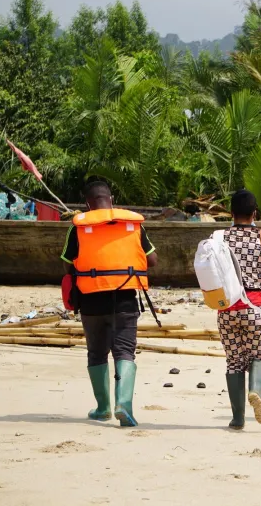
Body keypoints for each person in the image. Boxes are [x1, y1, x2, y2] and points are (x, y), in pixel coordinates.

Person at [60, 180, 158, 427]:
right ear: (111, 199)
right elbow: (153, 260)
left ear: (86, 204)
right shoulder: (132, 226)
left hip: (91, 303)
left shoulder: (78, 228)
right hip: (125, 301)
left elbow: (66, 265)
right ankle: (123, 405)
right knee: (125, 351)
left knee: (96, 353)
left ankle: (103, 408)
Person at [219, 189, 261, 430]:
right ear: (254, 213)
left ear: (231, 213)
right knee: (258, 355)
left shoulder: (220, 238)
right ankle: (255, 391)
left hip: (227, 308)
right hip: (256, 308)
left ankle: (237, 419)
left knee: (233, 361)